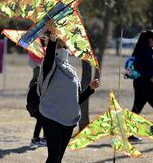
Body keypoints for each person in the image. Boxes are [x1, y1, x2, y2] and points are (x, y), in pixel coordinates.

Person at [37, 20, 100, 163]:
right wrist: (53, 35)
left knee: (58, 158)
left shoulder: (70, 69)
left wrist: (89, 89)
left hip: (69, 120)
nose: (65, 44)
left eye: (65, 42)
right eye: (61, 42)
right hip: (51, 117)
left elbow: (76, 101)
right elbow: (49, 58)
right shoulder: (49, 65)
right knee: (53, 157)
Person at [129, 30, 153, 141]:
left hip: (146, 84)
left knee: (138, 109)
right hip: (143, 83)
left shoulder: (149, 50)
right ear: (150, 40)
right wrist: (149, 76)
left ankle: (128, 133)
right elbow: (136, 66)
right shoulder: (141, 49)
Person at [27, 36, 48, 148]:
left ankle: (39, 138)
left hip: (40, 96)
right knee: (42, 118)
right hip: (38, 96)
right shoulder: (37, 70)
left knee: (42, 119)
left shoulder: (38, 67)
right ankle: (39, 138)